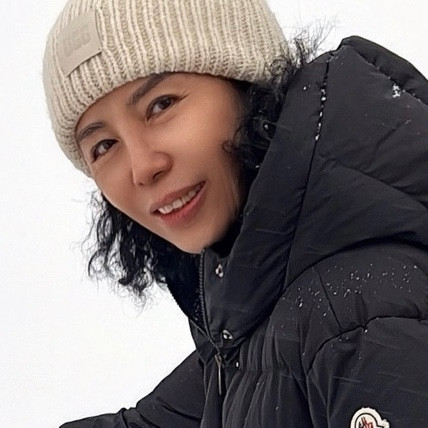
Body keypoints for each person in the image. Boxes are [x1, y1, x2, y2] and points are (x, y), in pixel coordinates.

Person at [43, 0, 428, 426]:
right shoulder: (256, 300)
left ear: (247, 83)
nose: (142, 167)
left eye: (161, 104)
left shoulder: (354, 319)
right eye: (104, 146)